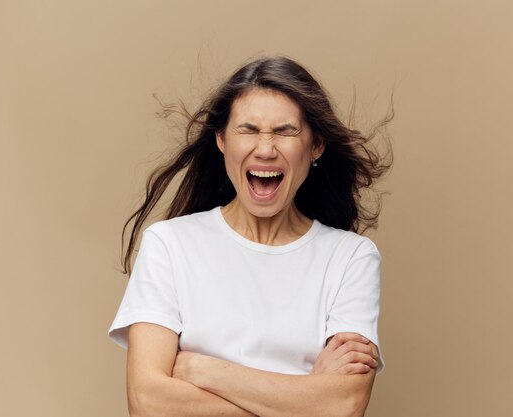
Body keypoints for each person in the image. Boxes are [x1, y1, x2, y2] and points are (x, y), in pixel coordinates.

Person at [108, 55, 393, 417]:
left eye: (285, 131)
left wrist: (204, 370)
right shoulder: (169, 245)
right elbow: (148, 403)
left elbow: (344, 406)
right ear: (222, 139)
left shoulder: (351, 257)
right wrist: (305, 397)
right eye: (248, 129)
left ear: (316, 146)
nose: (265, 148)